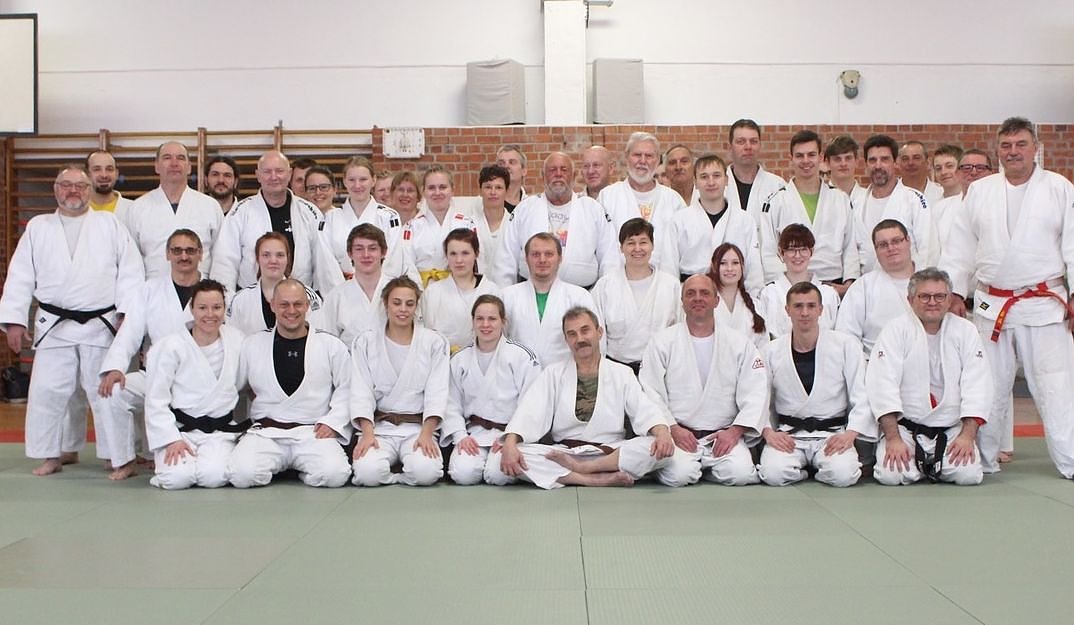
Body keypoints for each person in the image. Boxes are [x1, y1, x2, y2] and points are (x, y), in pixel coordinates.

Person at [940, 116, 1074, 479]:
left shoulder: (1059, 188)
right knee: (988, 385)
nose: (1013, 152)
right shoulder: (980, 191)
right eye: (1006, 145)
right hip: (991, 303)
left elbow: (1073, 243)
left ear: (1036, 148)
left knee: (1056, 383)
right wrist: (955, 291)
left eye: (1021, 144)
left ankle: (1070, 458)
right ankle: (984, 459)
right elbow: (959, 246)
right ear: (997, 150)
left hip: (1044, 302)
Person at [0, 164, 144, 479]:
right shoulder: (38, 227)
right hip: (54, 325)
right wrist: (14, 320)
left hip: (101, 324)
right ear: (55, 190)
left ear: (89, 190)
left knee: (105, 392)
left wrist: (126, 313)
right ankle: (51, 454)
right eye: (66, 185)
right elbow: (20, 275)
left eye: (80, 185)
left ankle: (117, 456)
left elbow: (130, 272)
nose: (73, 191)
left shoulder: (109, 224)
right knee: (48, 392)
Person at [489, 307, 691, 488]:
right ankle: (592, 479)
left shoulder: (621, 373)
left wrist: (662, 433)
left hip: (610, 452)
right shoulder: (553, 373)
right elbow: (531, 411)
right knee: (504, 459)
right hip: (566, 453)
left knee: (658, 448)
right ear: (566, 340)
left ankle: (586, 470)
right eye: (572, 334)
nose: (580, 339)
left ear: (599, 332)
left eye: (585, 330)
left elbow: (644, 409)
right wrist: (510, 443)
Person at [639, 274, 767, 485]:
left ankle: (705, 467)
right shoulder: (662, 342)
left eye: (704, 293)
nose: (697, 298)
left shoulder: (739, 343)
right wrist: (672, 428)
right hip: (679, 435)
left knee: (742, 474)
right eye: (691, 293)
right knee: (679, 475)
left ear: (716, 300)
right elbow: (650, 390)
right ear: (682, 302)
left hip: (722, 437)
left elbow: (756, 391)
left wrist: (734, 432)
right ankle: (697, 467)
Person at [867, 268, 990, 485]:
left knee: (969, 475)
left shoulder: (966, 331)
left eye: (939, 296)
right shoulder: (895, 331)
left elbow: (978, 385)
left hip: (952, 429)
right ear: (910, 300)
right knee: (890, 475)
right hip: (906, 429)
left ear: (949, 299)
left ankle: (928, 465)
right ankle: (926, 464)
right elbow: (882, 385)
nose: (932, 302)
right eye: (924, 296)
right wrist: (893, 439)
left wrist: (967, 436)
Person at [98, 229, 207, 466]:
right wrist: (116, 367)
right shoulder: (149, 290)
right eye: (177, 250)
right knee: (113, 391)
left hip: (200, 380)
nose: (184, 256)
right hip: (157, 375)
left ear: (201, 253)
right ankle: (124, 460)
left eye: (190, 250)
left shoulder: (213, 290)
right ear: (167, 254)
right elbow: (129, 332)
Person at [228, 279, 352, 488]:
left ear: (307, 306)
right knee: (242, 475)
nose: (291, 310)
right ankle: (287, 466)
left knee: (335, 475)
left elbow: (347, 388)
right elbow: (232, 387)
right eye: (284, 304)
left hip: (313, 432)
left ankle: (296, 470)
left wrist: (333, 422)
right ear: (273, 306)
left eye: (298, 304)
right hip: (266, 432)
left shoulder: (331, 345)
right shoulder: (252, 344)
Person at [758, 282, 875, 487]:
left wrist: (850, 434)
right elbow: (760, 399)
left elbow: (861, 394)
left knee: (844, 476)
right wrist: (769, 433)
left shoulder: (846, 345)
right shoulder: (771, 351)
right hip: (789, 434)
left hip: (832, 434)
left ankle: (816, 470)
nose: (805, 312)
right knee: (773, 475)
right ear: (787, 310)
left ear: (821, 309)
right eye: (798, 306)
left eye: (811, 306)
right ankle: (805, 473)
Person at [144, 279, 248, 489]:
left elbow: (240, 383)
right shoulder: (170, 346)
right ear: (191, 309)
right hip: (180, 430)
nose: (210, 314)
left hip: (219, 433)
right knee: (177, 479)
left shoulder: (237, 340)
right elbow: (156, 398)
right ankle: (171, 464)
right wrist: (170, 439)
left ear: (224, 309)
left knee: (214, 477)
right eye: (202, 308)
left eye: (216, 307)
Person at [350, 277, 450, 487]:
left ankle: (401, 474)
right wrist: (367, 434)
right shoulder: (365, 341)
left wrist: (427, 434)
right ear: (385, 304)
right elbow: (361, 391)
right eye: (396, 303)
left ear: (416, 306)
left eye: (409, 303)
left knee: (426, 473)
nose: (403, 309)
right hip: (379, 428)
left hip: (417, 429)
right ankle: (394, 476)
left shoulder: (434, 342)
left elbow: (437, 392)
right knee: (367, 474)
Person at [210, 150, 342, 296]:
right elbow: (225, 262)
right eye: (267, 172)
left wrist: (333, 300)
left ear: (289, 174)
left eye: (279, 171)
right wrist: (225, 300)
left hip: (299, 298)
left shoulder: (310, 212)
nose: (274, 177)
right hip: (252, 299)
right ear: (258, 175)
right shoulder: (239, 213)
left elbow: (324, 263)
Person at [441, 294, 542, 485]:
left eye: (492, 319)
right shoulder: (459, 359)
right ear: (472, 322)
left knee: (499, 474)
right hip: (473, 435)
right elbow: (451, 403)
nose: (485, 324)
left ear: (504, 321)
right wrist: (460, 436)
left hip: (510, 435)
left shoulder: (521, 356)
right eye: (480, 318)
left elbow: (531, 404)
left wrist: (512, 437)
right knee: (462, 474)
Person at [494, 152, 617, 288]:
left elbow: (609, 259)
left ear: (574, 176)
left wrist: (607, 293)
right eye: (552, 170)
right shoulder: (525, 209)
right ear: (543, 176)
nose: (558, 174)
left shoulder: (593, 209)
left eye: (564, 170)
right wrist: (504, 295)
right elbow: (505, 260)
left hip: (584, 293)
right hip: (530, 292)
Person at [760, 130, 859, 295]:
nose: (805, 161)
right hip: (791, 287)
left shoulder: (840, 199)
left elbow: (850, 247)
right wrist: (785, 288)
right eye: (799, 156)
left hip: (834, 284)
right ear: (791, 158)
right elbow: (768, 251)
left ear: (821, 158)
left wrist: (848, 285)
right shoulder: (776, 201)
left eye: (811, 155)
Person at [659, 153, 762, 291]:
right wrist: (673, 299)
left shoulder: (745, 220)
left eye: (716, 176)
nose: (711, 182)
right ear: (695, 182)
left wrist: (753, 298)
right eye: (704, 177)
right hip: (691, 293)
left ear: (726, 180)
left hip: (733, 293)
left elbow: (753, 268)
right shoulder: (679, 220)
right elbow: (668, 269)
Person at [591, 218, 681, 374]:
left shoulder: (671, 285)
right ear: (621, 248)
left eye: (643, 242)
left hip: (660, 369)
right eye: (631, 243)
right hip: (616, 370)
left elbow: (679, 331)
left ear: (652, 245)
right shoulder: (605, 286)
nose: (637, 248)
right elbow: (598, 334)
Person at [124, 141, 222, 279]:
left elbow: (221, 257)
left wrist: (217, 289)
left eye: (180, 158)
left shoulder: (210, 206)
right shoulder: (137, 208)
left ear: (189, 167)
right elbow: (130, 262)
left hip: (201, 288)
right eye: (167, 158)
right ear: (156, 166)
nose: (174, 163)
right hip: (153, 288)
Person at [500, 233, 598, 368]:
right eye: (535, 254)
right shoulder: (507, 296)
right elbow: (497, 341)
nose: (542, 260)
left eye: (549, 254)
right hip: (517, 374)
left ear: (560, 258)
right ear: (526, 259)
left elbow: (595, 343)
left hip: (565, 375)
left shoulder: (579, 296)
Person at [835, 219, 915, 358]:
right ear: (876, 249)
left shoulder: (931, 282)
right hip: (876, 363)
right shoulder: (863, 287)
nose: (891, 248)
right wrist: (865, 365)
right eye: (883, 245)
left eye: (896, 241)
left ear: (908, 241)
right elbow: (846, 336)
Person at [854, 135, 930, 273]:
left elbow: (928, 250)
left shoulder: (915, 200)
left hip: (908, 281)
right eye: (872, 160)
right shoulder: (856, 204)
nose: (878, 166)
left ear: (895, 163)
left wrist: (920, 282)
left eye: (884, 159)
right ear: (866, 165)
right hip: (866, 281)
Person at [322, 156, 405, 279]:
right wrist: (344, 287)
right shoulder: (330, 218)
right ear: (344, 182)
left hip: (380, 286)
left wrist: (375, 285)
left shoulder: (389, 217)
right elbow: (326, 261)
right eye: (352, 180)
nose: (357, 185)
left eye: (363, 179)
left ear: (373, 180)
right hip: (341, 286)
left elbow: (393, 260)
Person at [225, 232, 324, 336]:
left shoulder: (308, 296)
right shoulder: (240, 300)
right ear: (257, 258)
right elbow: (232, 339)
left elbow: (317, 337)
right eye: (266, 255)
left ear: (287, 259)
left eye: (280, 255)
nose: (273, 261)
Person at [421, 229, 500, 352]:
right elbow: (426, 337)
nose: (459, 260)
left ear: (476, 254)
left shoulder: (491, 291)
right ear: (446, 255)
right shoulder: (432, 293)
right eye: (453, 254)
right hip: (443, 361)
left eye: (465, 253)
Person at [597, 132, 686, 239]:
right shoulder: (607, 197)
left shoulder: (673, 200)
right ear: (626, 157)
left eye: (649, 156)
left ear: (658, 160)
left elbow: (684, 241)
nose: (643, 161)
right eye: (637, 155)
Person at [757, 224, 841, 338]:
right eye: (791, 250)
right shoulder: (769, 294)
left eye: (803, 249)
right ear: (781, 252)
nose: (797, 256)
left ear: (812, 251)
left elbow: (837, 336)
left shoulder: (829, 294)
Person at [319, 224, 394, 347]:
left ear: (383, 252)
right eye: (359, 249)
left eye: (372, 248)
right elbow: (328, 343)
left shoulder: (397, 291)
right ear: (350, 253)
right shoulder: (336, 296)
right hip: (349, 358)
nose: (366, 255)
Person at [403, 166, 477, 287]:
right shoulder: (411, 227)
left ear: (452, 190)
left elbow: (476, 262)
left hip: (459, 288)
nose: (437, 193)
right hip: (421, 289)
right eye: (431, 188)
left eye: (442, 187)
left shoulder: (466, 224)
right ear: (423, 192)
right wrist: (418, 290)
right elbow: (407, 264)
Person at [724, 119, 786, 224]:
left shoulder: (777, 186)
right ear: (730, 147)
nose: (748, 147)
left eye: (753, 141)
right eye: (741, 141)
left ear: (760, 145)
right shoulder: (715, 185)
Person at [708, 243, 768, 349]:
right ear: (714, 267)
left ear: (742, 267)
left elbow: (764, 345)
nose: (729, 268)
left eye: (735, 263)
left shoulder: (756, 305)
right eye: (723, 263)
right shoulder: (705, 304)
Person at [926, 144, 965, 267]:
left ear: (961, 167)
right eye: (938, 168)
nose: (943, 172)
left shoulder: (970, 201)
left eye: (949, 166)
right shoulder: (932, 206)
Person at [473, 165, 510, 279]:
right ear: (480, 191)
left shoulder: (515, 225)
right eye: (488, 187)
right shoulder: (469, 224)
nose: (493, 192)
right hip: (477, 287)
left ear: (506, 191)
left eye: (498, 187)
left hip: (508, 286)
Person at [85, 150, 134, 217]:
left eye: (109, 169)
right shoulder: (75, 211)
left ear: (116, 174)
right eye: (97, 169)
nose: (104, 175)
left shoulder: (133, 209)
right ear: (87, 175)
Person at [824, 135, 867, 209]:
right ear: (828, 163)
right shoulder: (821, 199)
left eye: (848, 158)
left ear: (856, 161)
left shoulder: (868, 199)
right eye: (837, 159)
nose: (843, 164)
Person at [898, 140, 944, 206]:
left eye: (916, 158)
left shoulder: (941, 194)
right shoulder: (891, 194)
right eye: (905, 159)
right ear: (899, 164)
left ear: (928, 163)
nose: (910, 163)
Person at [496, 144, 528, 212]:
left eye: (512, 162)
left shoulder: (531, 206)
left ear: (524, 171)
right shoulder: (484, 204)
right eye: (501, 163)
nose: (506, 166)